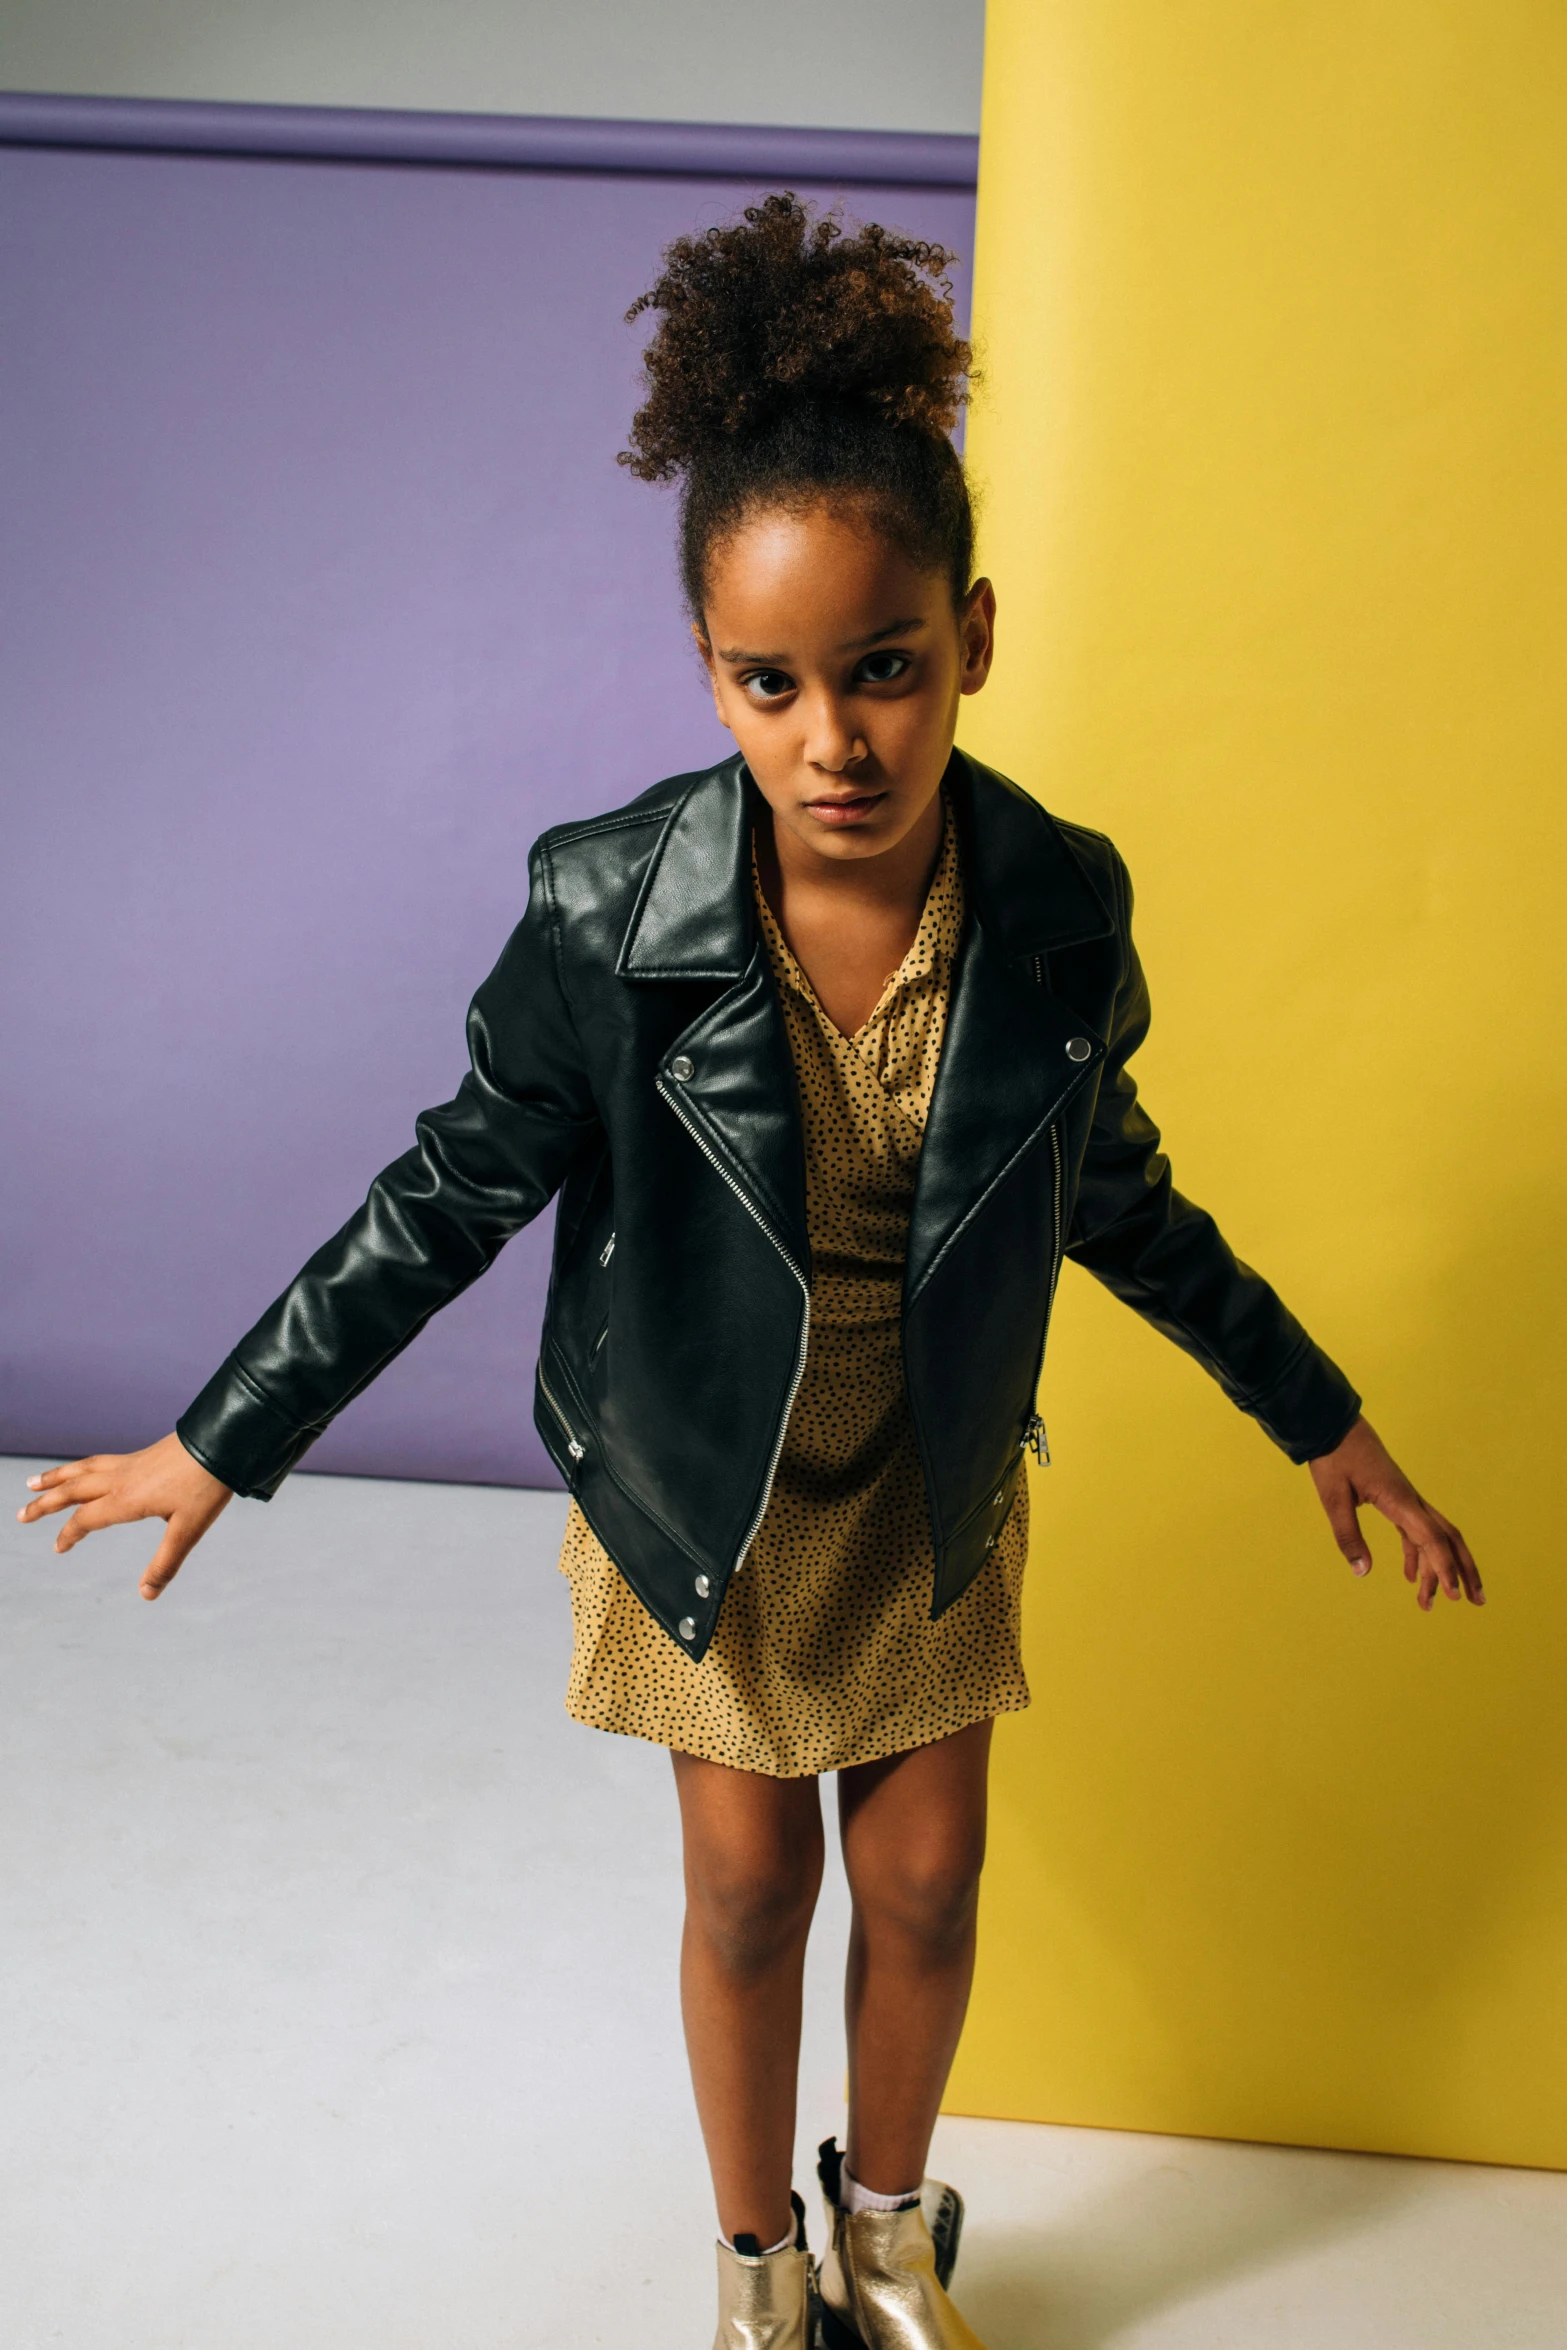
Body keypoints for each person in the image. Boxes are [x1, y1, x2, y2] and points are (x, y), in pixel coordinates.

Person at [18, 194, 1483, 2350]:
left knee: (921, 1874)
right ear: (707, 668)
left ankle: (886, 2238)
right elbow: (448, 1191)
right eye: (770, 682)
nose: (834, 738)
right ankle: (754, 2269)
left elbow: (1126, 1197)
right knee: (747, 1880)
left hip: (926, 1461)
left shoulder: (1058, 911)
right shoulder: (614, 910)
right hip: (708, 1463)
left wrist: (1321, 1413)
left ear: (971, 634)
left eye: (884, 668)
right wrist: (221, 1436)